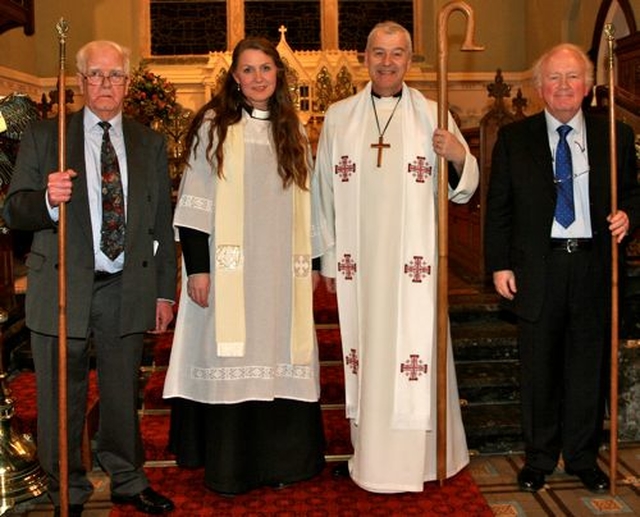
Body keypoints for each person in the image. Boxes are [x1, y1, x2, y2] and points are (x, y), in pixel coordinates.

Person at [3, 40, 177, 516]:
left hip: (126, 284)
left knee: (123, 390)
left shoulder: (148, 142)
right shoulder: (46, 137)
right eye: (95, 75)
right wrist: (46, 199)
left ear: (127, 82)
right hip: (61, 285)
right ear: (79, 82)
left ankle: (127, 477)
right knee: (61, 394)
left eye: (115, 75)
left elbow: (162, 222)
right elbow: (13, 210)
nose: (105, 84)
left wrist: (165, 290)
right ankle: (68, 488)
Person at [314, 21, 478, 493]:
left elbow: (467, 188)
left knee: (416, 357)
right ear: (364, 57)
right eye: (379, 53)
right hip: (359, 268)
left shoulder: (432, 113)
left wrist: (456, 158)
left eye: (398, 53)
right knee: (368, 355)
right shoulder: (339, 116)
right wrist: (327, 260)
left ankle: (427, 460)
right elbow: (323, 191)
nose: (388, 62)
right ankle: (373, 460)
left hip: (416, 269)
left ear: (409, 60)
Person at [162, 36, 328, 495]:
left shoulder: (291, 130)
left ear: (279, 75)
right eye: (249, 70)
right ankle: (232, 467)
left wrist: (313, 261)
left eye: (266, 69)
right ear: (234, 77)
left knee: (279, 355)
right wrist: (197, 269)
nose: (258, 78)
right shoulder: (214, 126)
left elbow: (310, 204)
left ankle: (283, 462)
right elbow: (194, 203)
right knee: (231, 354)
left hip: (280, 273)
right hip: (227, 271)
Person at [484, 43, 640, 494]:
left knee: (587, 367)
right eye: (554, 78)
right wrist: (499, 266)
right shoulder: (515, 138)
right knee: (539, 368)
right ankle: (538, 459)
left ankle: (581, 457)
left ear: (588, 86)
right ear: (538, 88)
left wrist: (629, 215)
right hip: (539, 268)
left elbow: (634, 193)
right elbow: (499, 209)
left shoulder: (616, 135)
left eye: (572, 77)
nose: (564, 86)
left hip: (595, 266)